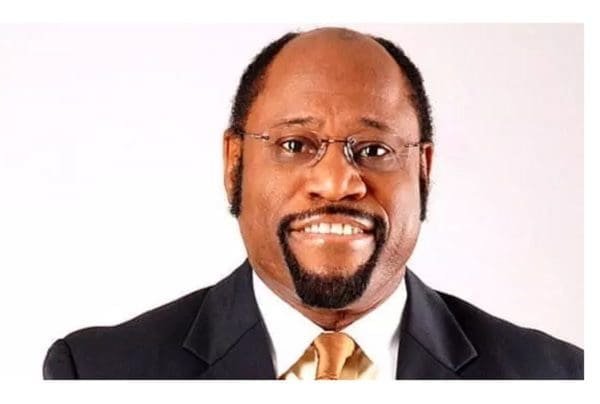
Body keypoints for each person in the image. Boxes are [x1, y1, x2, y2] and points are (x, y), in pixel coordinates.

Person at [42, 27, 583, 380]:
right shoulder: (99, 375)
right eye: (295, 145)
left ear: (422, 170)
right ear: (234, 163)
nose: (337, 183)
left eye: (374, 150)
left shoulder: (556, 378)